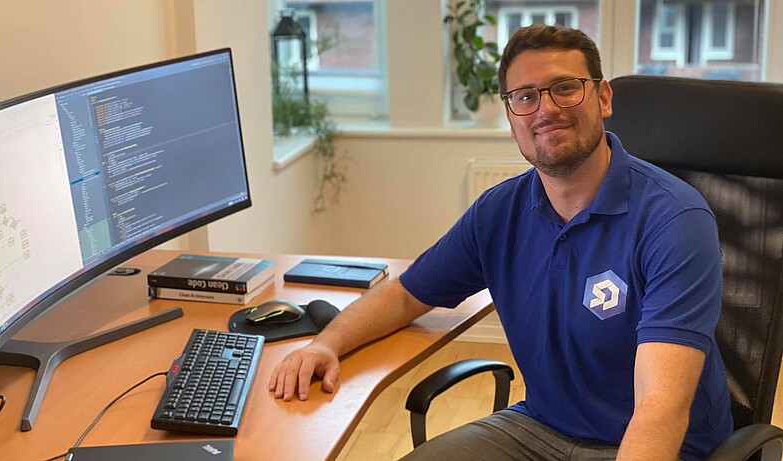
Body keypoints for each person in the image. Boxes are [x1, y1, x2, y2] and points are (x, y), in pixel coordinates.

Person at [269, 25, 732, 460]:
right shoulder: (500, 212)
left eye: (565, 88)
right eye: (524, 97)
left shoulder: (673, 219)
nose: (546, 109)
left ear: (603, 97)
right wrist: (326, 345)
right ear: (511, 116)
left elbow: (661, 406)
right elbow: (407, 294)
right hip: (540, 428)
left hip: (658, 445)